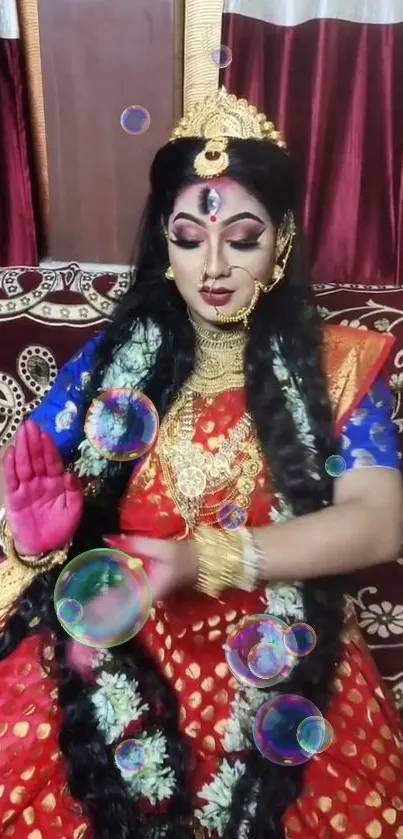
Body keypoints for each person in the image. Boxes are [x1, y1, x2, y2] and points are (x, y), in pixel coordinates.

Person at [0, 87, 402, 839]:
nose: (212, 264)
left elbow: (380, 521)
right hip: (119, 628)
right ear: (164, 242)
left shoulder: (338, 364)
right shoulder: (111, 361)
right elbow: (23, 479)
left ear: (279, 243)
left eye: (241, 237)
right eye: (189, 236)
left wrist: (204, 557)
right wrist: (33, 537)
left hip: (285, 645)